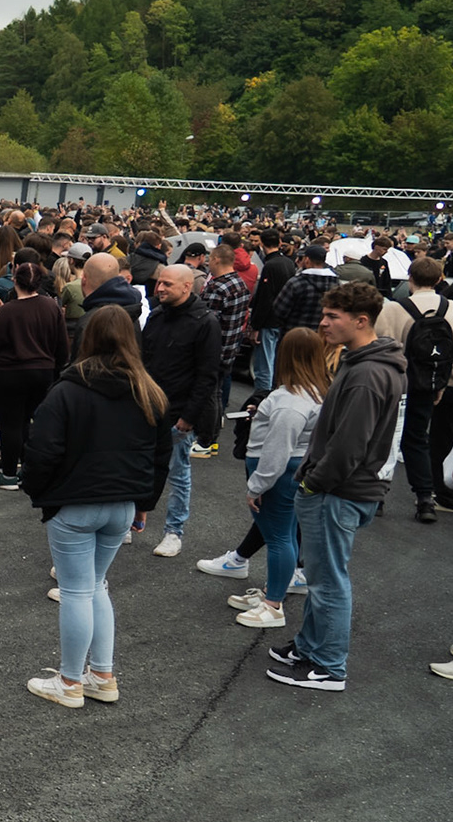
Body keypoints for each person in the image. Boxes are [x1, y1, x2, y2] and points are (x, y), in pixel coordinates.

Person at [18, 305, 172, 707]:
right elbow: (160, 457)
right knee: (96, 586)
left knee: (75, 592)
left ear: (87, 338)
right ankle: (102, 675)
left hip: (75, 503)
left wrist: (39, 493)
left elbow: (42, 450)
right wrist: (145, 503)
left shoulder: (68, 389)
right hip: (123, 504)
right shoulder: (150, 392)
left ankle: (70, 682)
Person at [268, 282, 406, 691]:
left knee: (328, 581)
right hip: (341, 489)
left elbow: (349, 446)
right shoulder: (362, 362)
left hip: (339, 492)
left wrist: (313, 483)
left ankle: (329, 666)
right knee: (321, 577)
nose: (322, 323)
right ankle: (310, 648)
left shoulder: (367, 373)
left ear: (361, 321)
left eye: (332, 316)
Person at [231, 328, 329, 631]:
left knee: (278, 538)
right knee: (284, 534)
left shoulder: (291, 400)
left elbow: (278, 450)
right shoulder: (315, 391)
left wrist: (257, 485)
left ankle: (273, 605)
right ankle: (271, 593)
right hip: (292, 469)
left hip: (279, 473)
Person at [139, 264, 221, 557]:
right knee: (138, 466)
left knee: (178, 474)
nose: (160, 288)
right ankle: (131, 521)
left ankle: (173, 532)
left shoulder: (205, 323)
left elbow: (207, 376)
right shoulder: (157, 315)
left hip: (177, 415)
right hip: (147, 408)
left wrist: (189, 417)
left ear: (187, 286)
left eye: (167, 284)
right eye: (159, 282)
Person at [373, 255, 452, 523]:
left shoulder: (393, 309)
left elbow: (379, 345)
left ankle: (377, 495)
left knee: (384, 437)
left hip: (396, 382)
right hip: (429, 382)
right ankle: (424, 498)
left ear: (410, 278)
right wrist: (442, 382)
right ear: (439, 279)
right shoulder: (451, 309)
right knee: (417, 438)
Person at [0, 261, 69, 489]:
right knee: (27, 420)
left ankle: (9, 474)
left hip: (10, 371)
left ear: (15, 281)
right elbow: (62, 345)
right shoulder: (51, 307)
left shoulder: (9, 310)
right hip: (43, 372)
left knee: (10, 423)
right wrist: (55, 368)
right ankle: (26, 469)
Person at [201, 242, 252, 434]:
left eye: (210, 259)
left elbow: (207, 322)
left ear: (216, 259)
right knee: (218, 392)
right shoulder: (240, 283)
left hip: (214, 348)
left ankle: (208, 435)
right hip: (231, 346)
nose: (208, 263)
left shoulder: (217, 287)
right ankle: (214, 428)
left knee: (208, 395)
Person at [248, 229, 297, 394]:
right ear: (280, 242)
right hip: (284, 319)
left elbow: (265, 298)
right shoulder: (289, 263)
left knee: (264, 364)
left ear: (262, 244)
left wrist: (255, 325)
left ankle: (262, 396)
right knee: (276, 361)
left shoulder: (270, 265)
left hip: (268, 320)